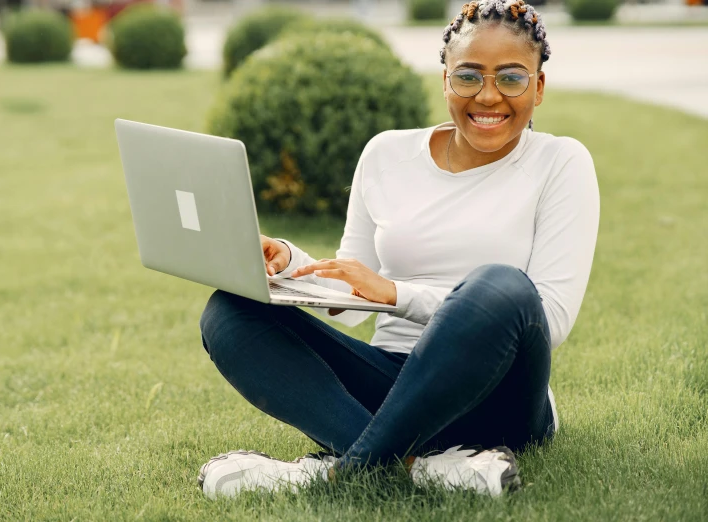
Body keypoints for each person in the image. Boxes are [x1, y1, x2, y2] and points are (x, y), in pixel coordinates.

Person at [198, 0, 600, 499]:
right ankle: (417, 466)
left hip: (500, 398)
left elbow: (549, 319)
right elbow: (349, 302)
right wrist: (289, 263)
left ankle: (331, 472)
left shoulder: (561, 163)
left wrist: (396, 295)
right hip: (389, 383)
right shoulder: (386, 154)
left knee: (498, 287)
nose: (489, 96)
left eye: (511, 78)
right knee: (228, 313)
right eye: (469, 76)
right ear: (446, 80)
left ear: (538, 87)